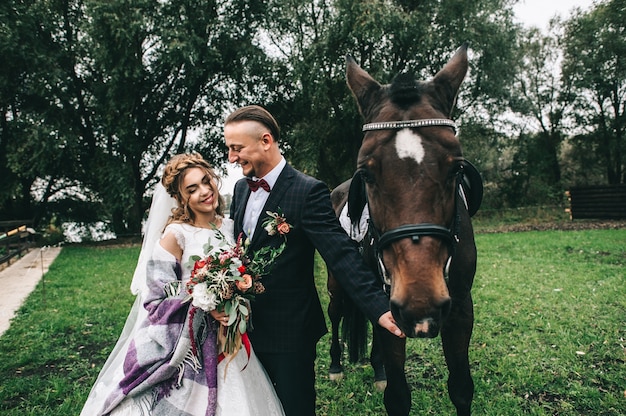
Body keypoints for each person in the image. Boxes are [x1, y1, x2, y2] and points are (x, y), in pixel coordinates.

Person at [224, 105, 404, 416]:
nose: (231, 157)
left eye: (236, 148)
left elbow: (340, 252)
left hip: (290, 333)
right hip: (244, 329)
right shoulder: (240, 189)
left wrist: (378, 307)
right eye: (229, 149)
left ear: (265, 141)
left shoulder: (308, 191)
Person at [80, 153, 284, 416]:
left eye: (206, 181)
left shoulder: (232, 227)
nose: (205, 191)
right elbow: (157, 295)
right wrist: (204, 302)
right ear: (181, 198)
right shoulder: (176, 235)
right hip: (189, 344)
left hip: (231, 341)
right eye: (192, 189)